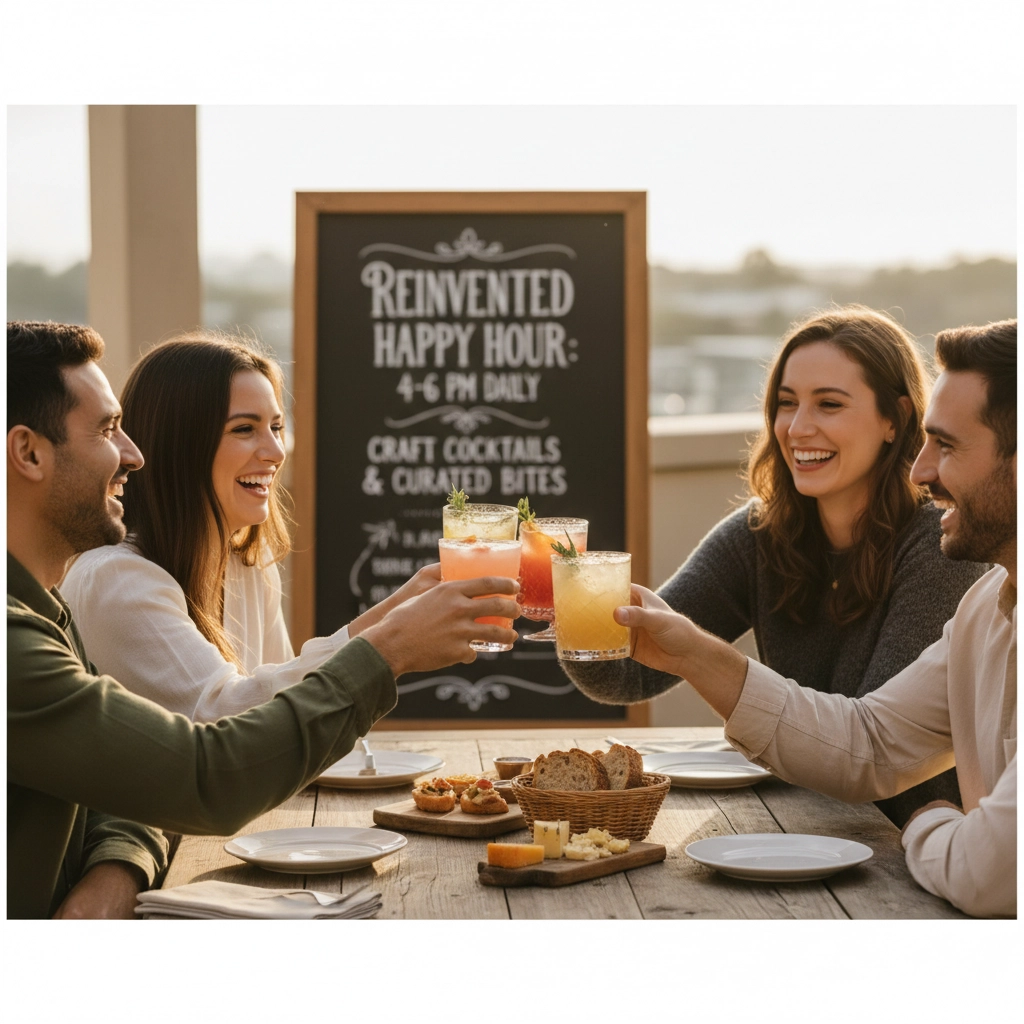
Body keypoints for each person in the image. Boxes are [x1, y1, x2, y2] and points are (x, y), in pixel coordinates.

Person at [7, 320, 519, 919]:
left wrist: (114, 873)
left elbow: (120, 787)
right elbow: (211, 765)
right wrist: (388, 648)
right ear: (28, 452)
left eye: (276, 426)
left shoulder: (50, 607)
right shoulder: (75, 603)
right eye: (107, 430)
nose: (133, 455)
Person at [606, 319, 1016, 918]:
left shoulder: (940, 553)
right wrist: (689, 651)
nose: (921, 471)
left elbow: (987, 875)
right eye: (785, 403)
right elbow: (867, 744)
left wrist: (928, 822)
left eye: (947, 446)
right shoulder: (990, 608)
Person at [62, 331, 441, 721]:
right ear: (179, 444)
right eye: (244, 429)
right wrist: (391, 642)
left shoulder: (248, 564)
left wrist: (401, 605)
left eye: (276, 427)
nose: (276, 452)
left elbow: (295, 718)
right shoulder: (117, 580)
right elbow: (230, 722)